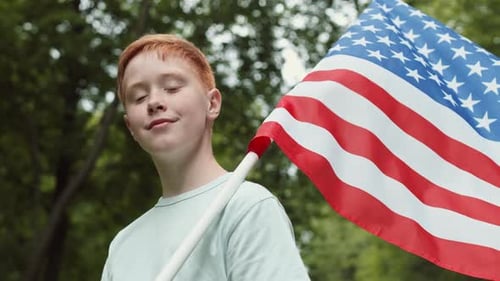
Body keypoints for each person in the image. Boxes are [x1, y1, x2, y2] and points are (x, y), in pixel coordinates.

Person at [101, 33, 310, 281]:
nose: (154, 102)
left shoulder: (247, 208)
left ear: (212, 104)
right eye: (139, 97)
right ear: (130, 127)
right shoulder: (123, 246)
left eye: (172, 88)